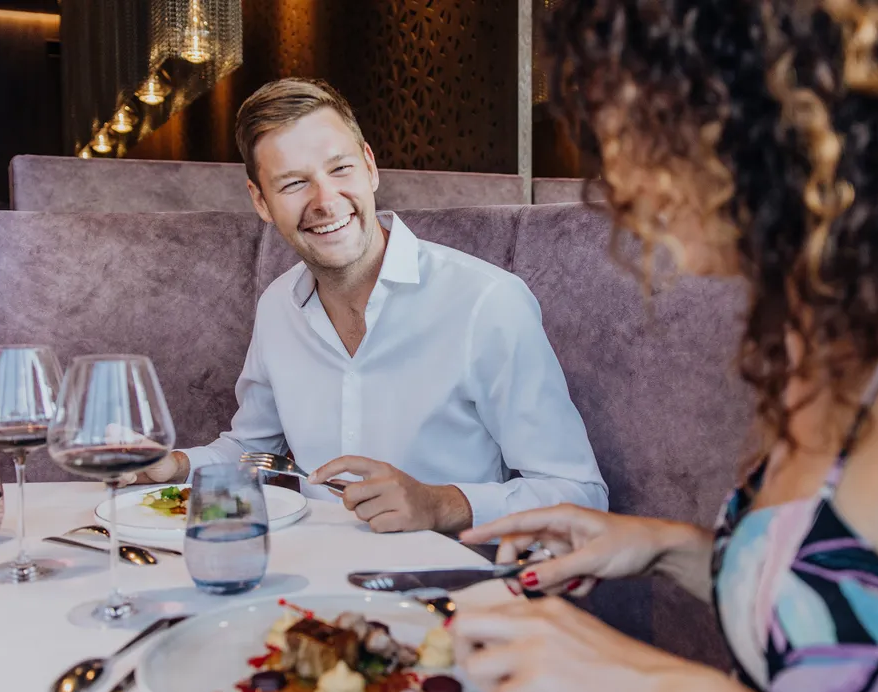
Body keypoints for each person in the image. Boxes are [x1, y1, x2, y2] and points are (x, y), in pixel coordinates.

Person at [448, 0, 878, 692]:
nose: (614, 170)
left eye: (639, 121)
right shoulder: (816, 328)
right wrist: (665, 549)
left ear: (771, 104)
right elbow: (857, 607)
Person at [125, 78, 607, 533]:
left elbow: (579, 494)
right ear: (261, 202)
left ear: (371, 167)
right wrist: (177, 466)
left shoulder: (486, 301)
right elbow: (254, 450)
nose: (325, 200)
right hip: (312, 590)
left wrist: (441, 505)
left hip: (453, 595)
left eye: (340, 169)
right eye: (293, 184)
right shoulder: (277, 307)